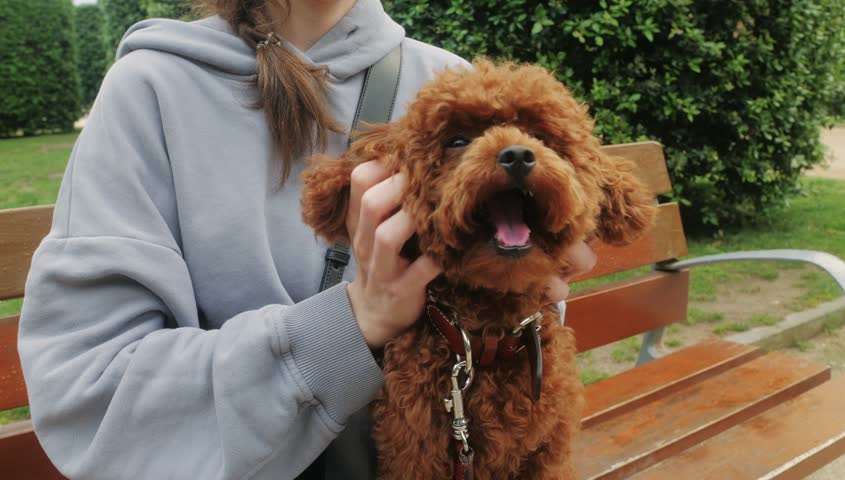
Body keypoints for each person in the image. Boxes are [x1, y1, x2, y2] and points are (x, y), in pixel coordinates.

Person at [17, 0, 596, 478]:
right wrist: (352, 321)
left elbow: (521, 329)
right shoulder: (151, 90)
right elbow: (92, 396)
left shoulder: (452, 85)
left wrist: (535, 270)